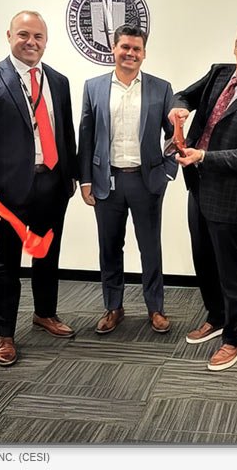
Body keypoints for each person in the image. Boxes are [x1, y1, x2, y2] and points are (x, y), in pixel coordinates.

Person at [168, 20, 237, 371]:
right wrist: (179, 108)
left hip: (229, 194)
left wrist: (202, 156)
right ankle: (215, 316)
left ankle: (234, 338)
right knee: (203, 259)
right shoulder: (219, 73)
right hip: (197, 184)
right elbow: (184, 95)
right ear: (235, 46)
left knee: (232, 271)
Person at [0, 10, 78, 366]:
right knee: (6, 262)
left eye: (38, 37)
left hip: (52, 183)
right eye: (24, 35)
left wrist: (71, 177)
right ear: (10, 35)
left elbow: (66, 132)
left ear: (46, 41)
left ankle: (45, 313)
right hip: (8, 192)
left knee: (47, 254)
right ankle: (5, 334)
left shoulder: (58, 81)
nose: (31, 43)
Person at [78, 25, 177, 334]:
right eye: (125, 47)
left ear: (144, 53)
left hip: (146, 181)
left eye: (136, 49)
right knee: (109, 248)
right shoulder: (93, 87)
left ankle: (155, 308)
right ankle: (113, 307)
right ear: (114, 48)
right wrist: (84, 180)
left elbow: (175, 135)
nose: (130, 53)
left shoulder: (161, 88)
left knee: (150, 248)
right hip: (106, 181)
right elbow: (86, 135)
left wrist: (168, 171)